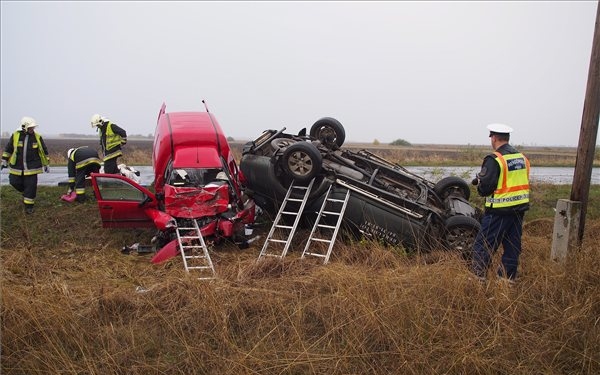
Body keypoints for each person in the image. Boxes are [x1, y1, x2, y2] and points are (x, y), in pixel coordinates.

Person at [471, 123, 531, 282]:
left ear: (494, 138)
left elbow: (486, 189)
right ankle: (507, 281)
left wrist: (480, 184)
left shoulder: (494, 159)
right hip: (518, 210)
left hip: (498, 211)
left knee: (483, 245)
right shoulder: (522, 158)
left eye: (491, 137)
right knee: (512, 247)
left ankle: (478, 280)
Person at [1, 116, 50, 214]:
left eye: (33, 127)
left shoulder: (37, 137)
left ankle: (29, 207)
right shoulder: (15, 135)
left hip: (32, 167)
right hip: (17, 166)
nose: (32, 129)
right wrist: (4, 160)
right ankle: (26, 193)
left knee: (31, 186)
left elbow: (43, 151)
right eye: (30, 127)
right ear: (24, 127)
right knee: (14, 182)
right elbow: (9, 148)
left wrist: (46, 164)